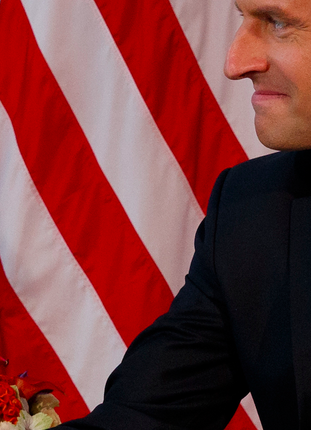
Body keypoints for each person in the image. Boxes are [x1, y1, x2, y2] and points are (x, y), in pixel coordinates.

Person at [57, 0, 311, 428]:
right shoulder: (251, 211)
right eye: (242, 19)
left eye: (278, 23)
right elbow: (143, 416)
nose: (235, 63)